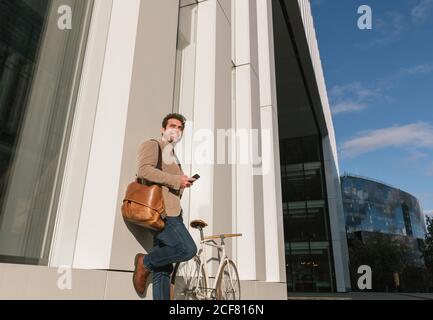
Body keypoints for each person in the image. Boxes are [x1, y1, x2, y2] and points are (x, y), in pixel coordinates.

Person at [132, 113, 197, 300]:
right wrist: (177, 180)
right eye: (172, 126)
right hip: (163, 212)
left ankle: (152, 264)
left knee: (164, 269)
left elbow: (170, 182)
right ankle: (145, 262)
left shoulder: (173, 155)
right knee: (187, 249)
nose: (176, 130)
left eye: (180, 128)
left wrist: (183, 182)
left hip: (172, 211)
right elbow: (144, 170)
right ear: (163, 128)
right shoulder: (153, 145)